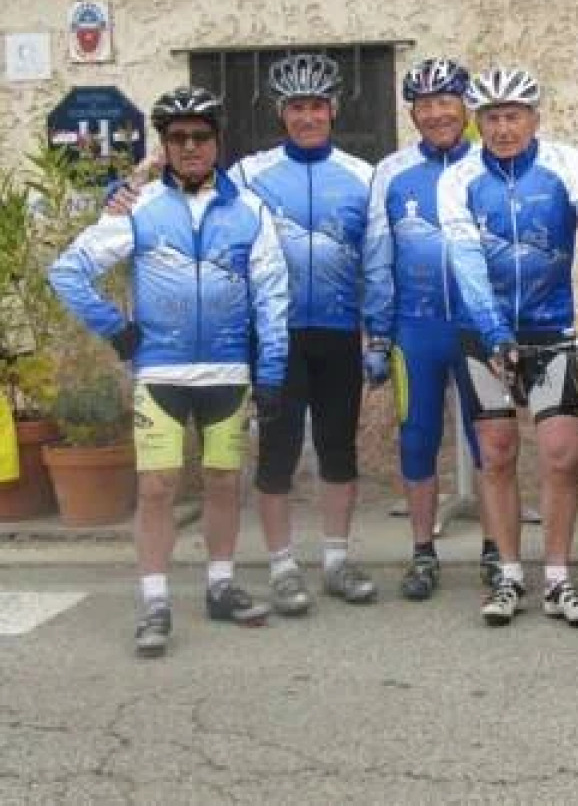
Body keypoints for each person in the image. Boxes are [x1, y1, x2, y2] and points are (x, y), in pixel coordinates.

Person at [50, 87, 288, 656]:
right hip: (160, 371)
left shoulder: (249, 209)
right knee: (156, 487)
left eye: (200, 136)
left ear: (217, 143)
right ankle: (154, 601)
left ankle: (221, 584)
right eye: (177, 137)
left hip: (229, 371)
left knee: (224, 481)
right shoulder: (139, 207)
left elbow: (273, 293)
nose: (189, 147)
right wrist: (115, 328)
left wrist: (273, 368)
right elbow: (66, 271)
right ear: (163, 144)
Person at [438, 66, 578, 628]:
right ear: (476, 122)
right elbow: (465, 261)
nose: (503, 127)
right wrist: (493, 334)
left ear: (535, 118)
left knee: (561, 453)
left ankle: (558, 577)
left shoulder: (566, 164)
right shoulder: (458, 177)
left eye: (514, 116)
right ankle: (509, 574)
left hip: (550, 327)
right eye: (491, 117)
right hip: (481, 333)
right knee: (499, 452)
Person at [222, 54, 386, 613]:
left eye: (317, 106)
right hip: (276, 338)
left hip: (340, 334)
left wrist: (378, 335)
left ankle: (337, 561)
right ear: (281, 113)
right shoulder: (248, 174)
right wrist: (129, 189)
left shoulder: (364, 176)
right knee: (279, 453)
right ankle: (283, 567)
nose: (307, 116)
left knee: (339, 451)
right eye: (297, 107)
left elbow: (376, 260)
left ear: (333, 110)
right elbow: (191, 200)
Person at [368, 58, 498, 602]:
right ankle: (423, 553)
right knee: (417, 441)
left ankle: (499, 551)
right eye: (424, 105)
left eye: (446, 101)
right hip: (414, 331)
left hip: (480, 331)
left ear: (465, 107)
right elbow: (377, 257)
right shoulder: (392, 173)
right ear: (413, 114)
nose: (436, 113)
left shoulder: (494, 166)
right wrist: (377, 335)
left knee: (492, 443)